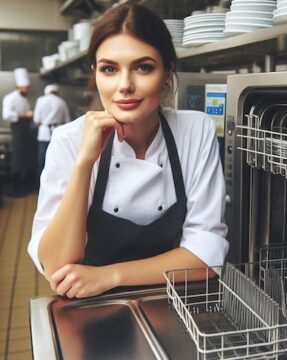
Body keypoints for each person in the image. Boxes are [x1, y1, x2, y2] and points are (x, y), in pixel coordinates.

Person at [28, 3, 228, 299]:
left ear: (167, 73)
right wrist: (85, 162)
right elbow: (56, 265)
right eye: (110, 69)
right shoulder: (68, 140)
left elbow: (206, 253)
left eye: (143, 67)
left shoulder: (195, 131)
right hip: (86, 305)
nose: (124, 85)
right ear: (95, 74)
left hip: (170, 299)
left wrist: (111, 275)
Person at [2, 67, 33, 194]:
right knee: (17, 158)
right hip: (17, 130)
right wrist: (25, 115)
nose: (28, 90)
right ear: (20, 86)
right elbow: (6, 115)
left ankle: (23, 187)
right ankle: (16, 189)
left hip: (26, 130)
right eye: (26, 87)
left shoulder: (24, 99)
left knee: (24, 157)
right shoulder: (10, 98)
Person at [33, 84, 70, 176]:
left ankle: (40, 183)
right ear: (57, 92)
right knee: (56, 159)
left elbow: (36, 120)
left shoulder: (40, 101)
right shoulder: (61, 102)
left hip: (44, 133)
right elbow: (67, 120)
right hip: (57, 132)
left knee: (42, 159)